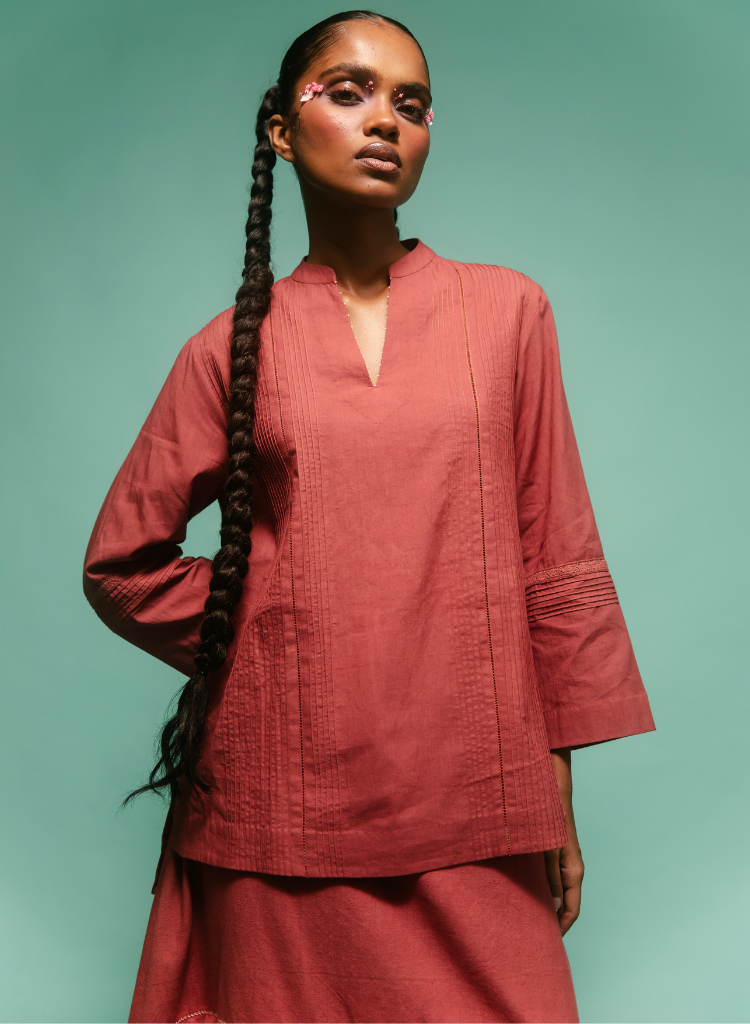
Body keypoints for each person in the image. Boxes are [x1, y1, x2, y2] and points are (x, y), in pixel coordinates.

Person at [84, 10, 655, 1024]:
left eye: (412, 103)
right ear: (280, 129)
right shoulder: (228, 347)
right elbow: (122, 563)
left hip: (479, 794)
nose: (386, 120)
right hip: (280, 807)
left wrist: (553, 792)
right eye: (347, 93)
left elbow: (555, 553)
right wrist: (273, 628)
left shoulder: (509, 312)